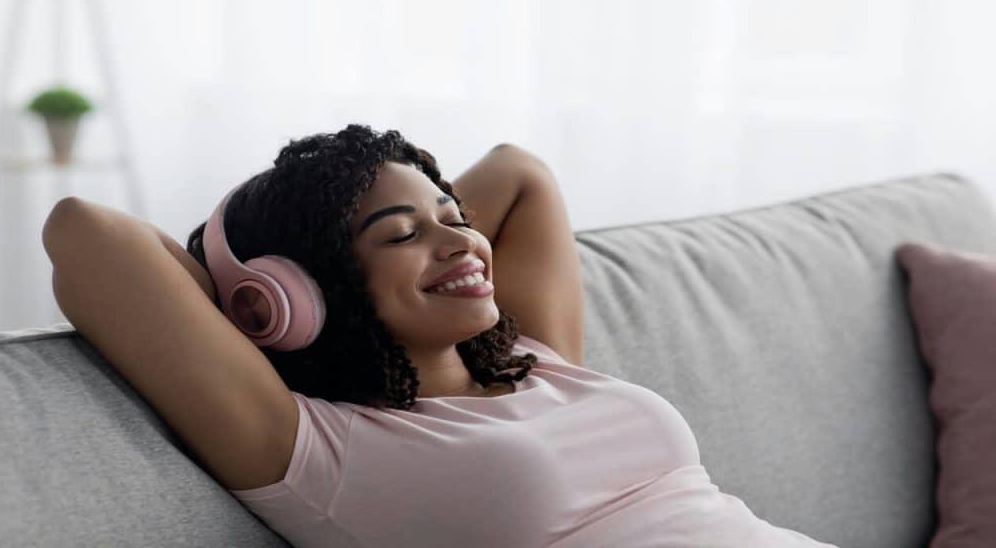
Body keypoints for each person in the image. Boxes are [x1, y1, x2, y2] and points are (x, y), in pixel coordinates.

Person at [42, 124, 838, 547]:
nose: (463, 243)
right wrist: (262, 295)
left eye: (458, 219)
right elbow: (84, 234)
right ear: (299, 292)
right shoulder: (320, 449)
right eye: (401, 236)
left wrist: (413, 214)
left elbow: (519, 170)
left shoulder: (536, 361)